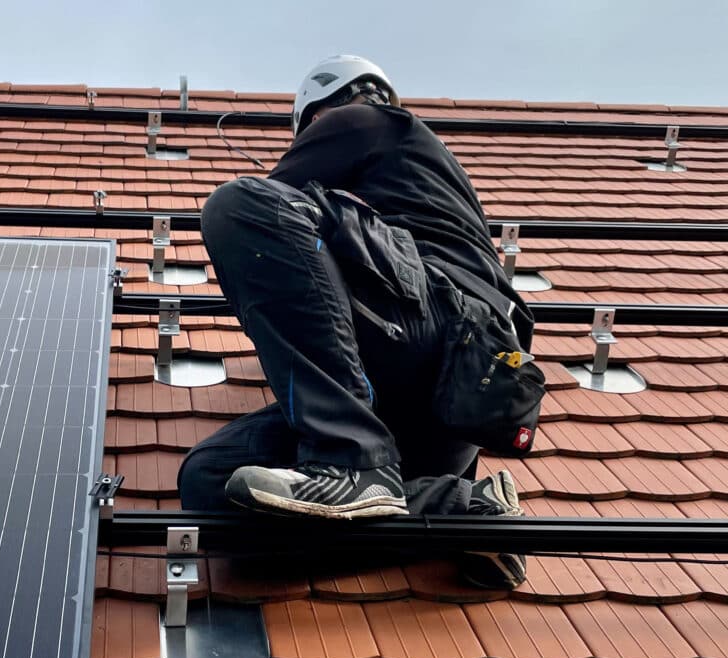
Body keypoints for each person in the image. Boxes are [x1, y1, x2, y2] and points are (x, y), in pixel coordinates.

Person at [176, 55, 536, 588]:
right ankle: (459, 508)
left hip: (436, 333)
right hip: (443, 426)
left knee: (239, 206)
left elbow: (272, 219)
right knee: (211, 485)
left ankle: (350, 460)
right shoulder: (417, 174)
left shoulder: (361, 118)